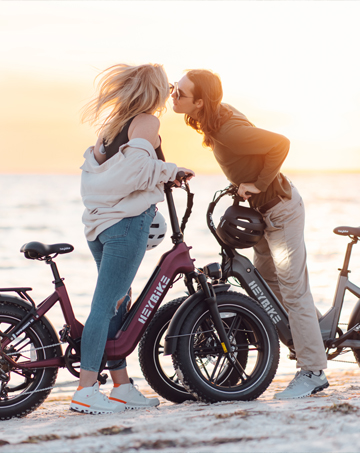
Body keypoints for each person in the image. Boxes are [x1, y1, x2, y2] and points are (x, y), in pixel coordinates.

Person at [171, 69, 328, 400]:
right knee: (268, 283)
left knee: (293, 289)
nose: (174, 95)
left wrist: (258, 183)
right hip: (262, 213)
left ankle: (312, 370)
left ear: (199, 101)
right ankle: (316, 335)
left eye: (179, 93)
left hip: (281, 210)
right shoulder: (215, 117)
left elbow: (279, 144)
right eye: (174, 89)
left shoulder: (227, 128)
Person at [71, 63, 195, 414]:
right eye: (167, 87)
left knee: (117, 302)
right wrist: (171, 170)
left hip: (100, 227)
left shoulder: (110, 128)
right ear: (154, 90)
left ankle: (122, 386)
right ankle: (85, 389)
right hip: (126, 226)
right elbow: (137, 171)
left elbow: (101, 176)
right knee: (105, 304)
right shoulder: (146, 122)